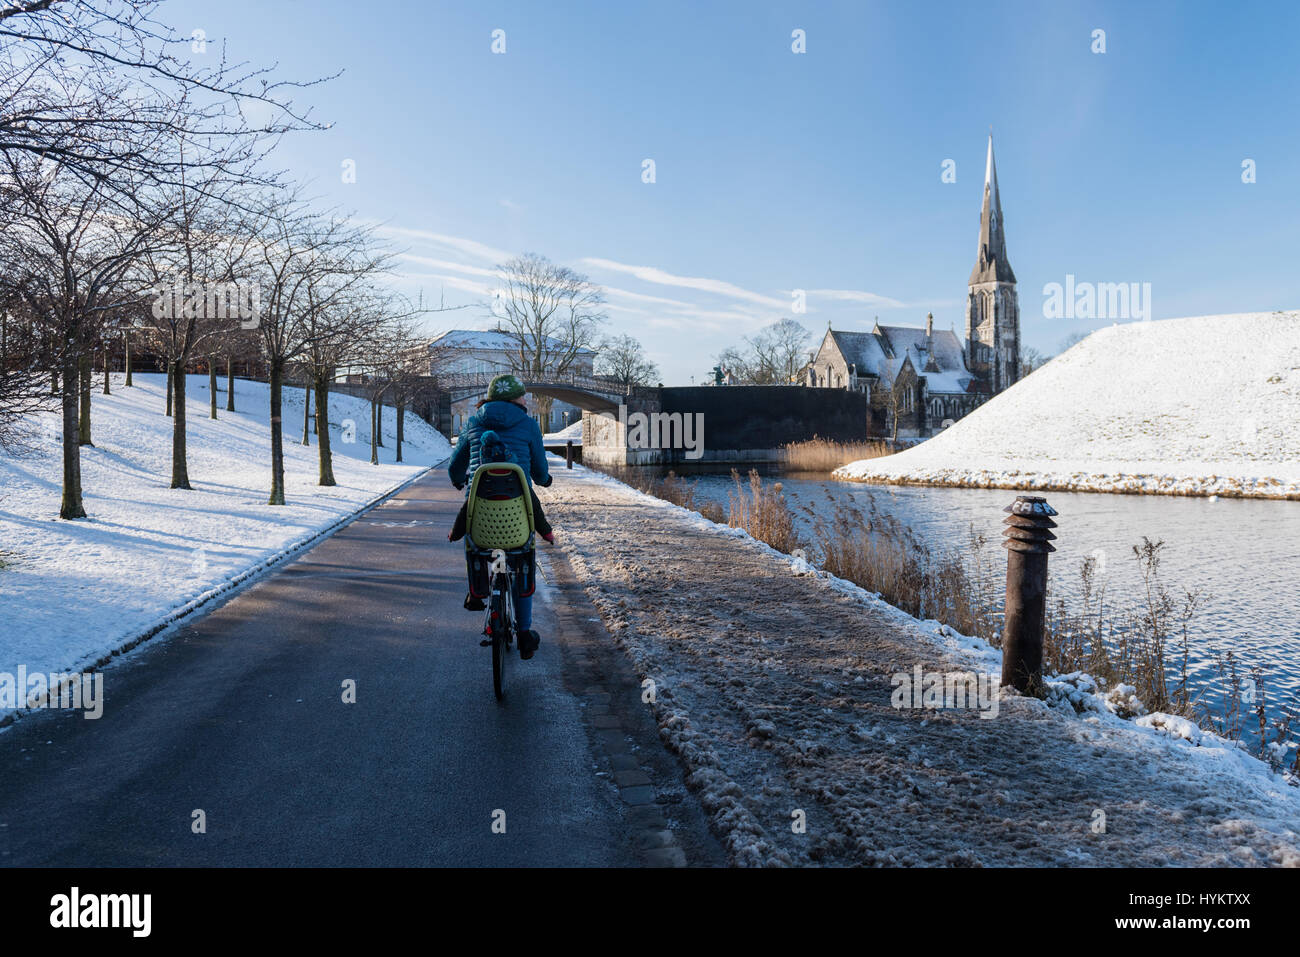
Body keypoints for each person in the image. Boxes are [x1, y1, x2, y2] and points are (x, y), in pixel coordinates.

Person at [447, 374, 553, 659]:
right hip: (518, 516)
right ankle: (525, 632)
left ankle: (477, 591)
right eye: (523, 396)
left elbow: (455, 467)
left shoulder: (472, 423)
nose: (526, 401)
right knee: (523, 560)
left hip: (481, 516)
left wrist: (459, 481)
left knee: (475, 547)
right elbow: (540, 472)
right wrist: (545, 480)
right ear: (516, 399)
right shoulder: (529, 426)